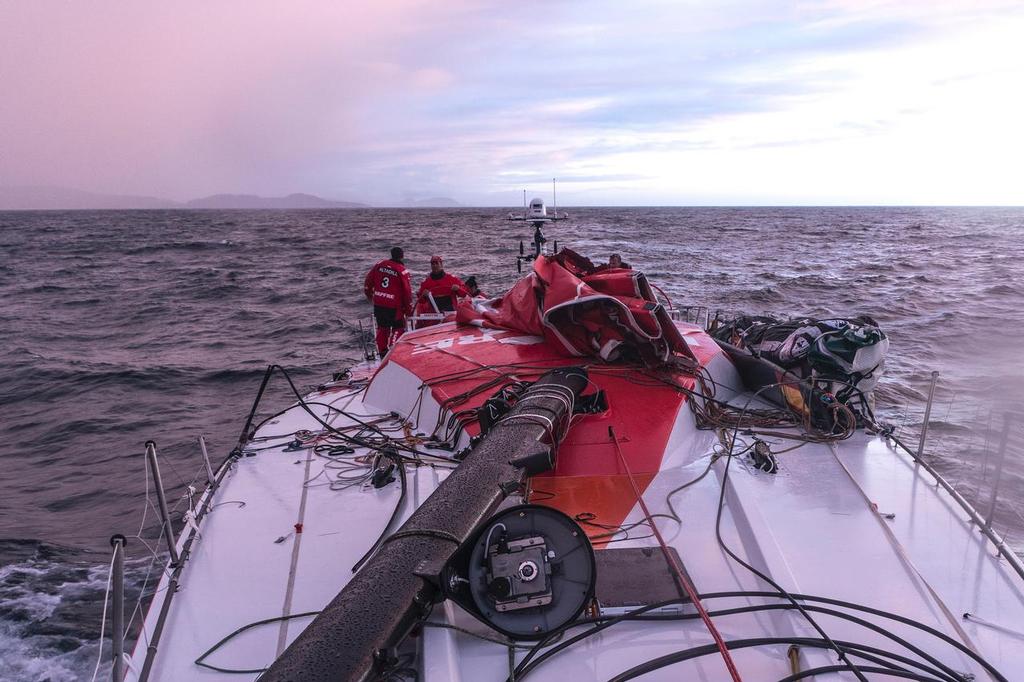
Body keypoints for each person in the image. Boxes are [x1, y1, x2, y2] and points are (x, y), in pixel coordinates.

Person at [364, 246, 412, 355]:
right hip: (394, 306)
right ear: (402, 256)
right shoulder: (402, 271)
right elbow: (407, 292)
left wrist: (369, 295)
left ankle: (382, 352)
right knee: (398, 327)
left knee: (382, 328)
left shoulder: (379, 265)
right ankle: (393, 349)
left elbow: (368, 281)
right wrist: (408, 310)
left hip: (379, 303)